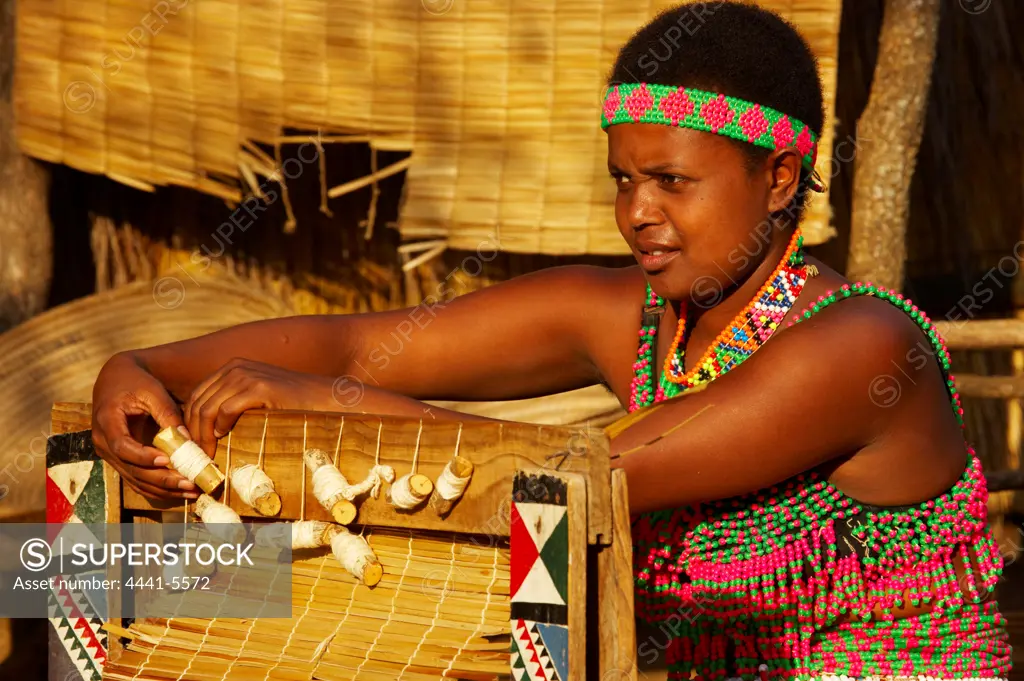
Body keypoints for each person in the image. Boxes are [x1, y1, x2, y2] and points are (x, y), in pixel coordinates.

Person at [91, 2, 1011, 679]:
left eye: (671, 181)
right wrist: (142, 368)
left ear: (778, 180)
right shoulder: (632, 317)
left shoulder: (860, 348)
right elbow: (354, 343)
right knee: (98, 583)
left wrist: (328, 406)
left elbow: (566, 479)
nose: (636, 213)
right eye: (622, 180)